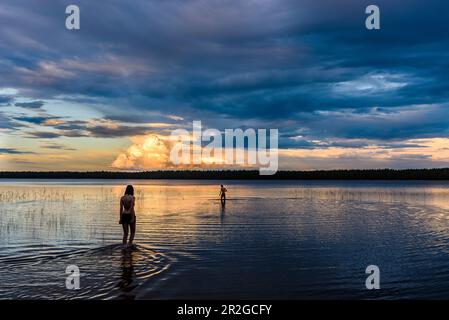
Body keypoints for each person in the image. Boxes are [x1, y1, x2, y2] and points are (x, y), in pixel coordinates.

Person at [119, 185, 136, 249]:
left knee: (125, 234)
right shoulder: (132, 198)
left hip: (124, 215)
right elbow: (132, 208)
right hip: (130, 215)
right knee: (132, 232)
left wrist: (120, 218)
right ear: (132, 190)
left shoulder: (122, 198)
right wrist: (132, 218)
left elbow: (121, 208)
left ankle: (124, 247)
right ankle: (129, 245)